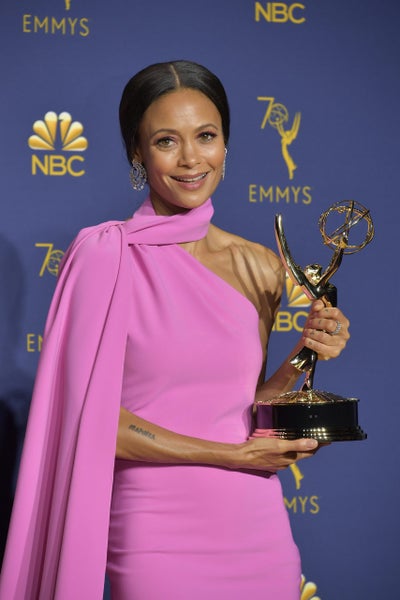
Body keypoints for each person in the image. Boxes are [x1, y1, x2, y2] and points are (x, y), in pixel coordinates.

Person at [0, 60, 350, 600]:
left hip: (255, 526)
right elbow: (94, 422)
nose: (191, 159)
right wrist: (232, 456)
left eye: (206, 136)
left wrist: (306, 352)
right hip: (155, 530)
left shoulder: (259, 265)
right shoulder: (106, 255)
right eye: (167, 140)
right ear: (137, 152)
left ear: (226, 143)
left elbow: (244, 407)